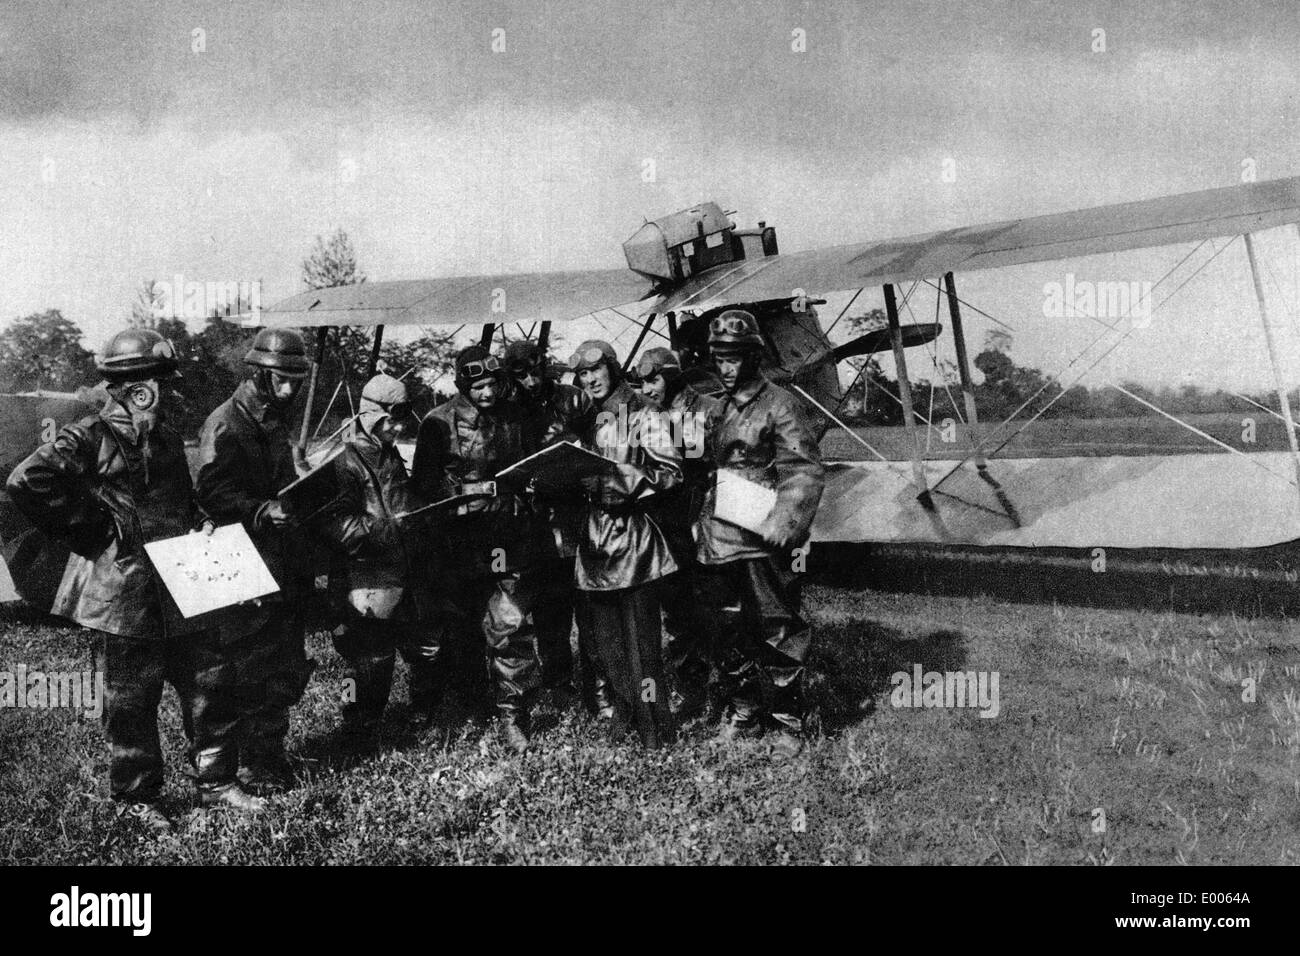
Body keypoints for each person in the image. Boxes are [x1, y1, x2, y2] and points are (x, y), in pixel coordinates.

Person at [6, 328, 264, 829]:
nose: (169, 391)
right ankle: (137, 800)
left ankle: (217, 784)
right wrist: (94, 529)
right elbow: (26, 482)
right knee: (131, 700)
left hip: (182, 581)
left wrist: (200, 519)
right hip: (125, 591)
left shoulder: (165, 436)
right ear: (136, 386)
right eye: (161, 381)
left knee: (209, 681)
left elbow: (180, 498)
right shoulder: (87, 436)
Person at [695, 309, 825, 760]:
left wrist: (785, 523)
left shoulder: (780, 403)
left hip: (764, 533)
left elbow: (804, 469)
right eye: (718, 358)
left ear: (754, 355)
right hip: (718, 533)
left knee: (778, 625)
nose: (725, 367)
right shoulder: (714, 406)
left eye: (733, 358)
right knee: (723, 626)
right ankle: (744, 712)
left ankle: (788, 722)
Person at [195, 327, 316, 793]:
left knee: (281, 663)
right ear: (259, 375)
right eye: (280, 379)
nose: (290, 388)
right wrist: (261, 510)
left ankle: (268, 756)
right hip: (240, 560)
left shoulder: (274, 418)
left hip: (280, 558)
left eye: (295, 380)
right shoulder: (226, 422)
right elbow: (210, 491)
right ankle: (228, 771)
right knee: (239, 668)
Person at [411, 346, 547, 753]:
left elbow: (527, 467)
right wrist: (465, 492)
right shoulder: (437, 424)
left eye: (492, 384)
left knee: (511, 626)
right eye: (478, 386)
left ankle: (512, 717)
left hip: (507, 536)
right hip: (457, 543)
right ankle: (451, 710)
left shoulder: (514, 417)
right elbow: (422, 489)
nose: (487, 393)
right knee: (454, 631)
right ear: (462, 386)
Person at [312, 374, 438, 748]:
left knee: (424, 646)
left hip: (403, 567)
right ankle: (354, 725)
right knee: (365, 661)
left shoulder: (390, 453)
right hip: (362, 574)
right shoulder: (340, 461)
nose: (398, 427)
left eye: (402, 418)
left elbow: (402, 500)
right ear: (369, 414)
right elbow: (332, 521)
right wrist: (382, 530)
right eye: (390, 419)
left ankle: (423, 713)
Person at [570, 340, 683, 748]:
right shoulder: (588, 417)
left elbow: (670, 472)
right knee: (605, 644)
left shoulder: (642, 412)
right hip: (595, 543)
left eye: (596, 371)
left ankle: (655, 731)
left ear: (613, 369)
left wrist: (624, 485)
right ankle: (626, 714)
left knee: (641, 646)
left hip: (634, 541)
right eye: (582, 374)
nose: (589, 380)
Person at [503, 339, 593, 707]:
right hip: (535, 519)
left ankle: (597, 684)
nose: (530, 381)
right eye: (520, 375)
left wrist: (575, 443)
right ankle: (558, 681)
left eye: (534, 370)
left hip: (577, 511)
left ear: (545, 365)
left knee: (587, 606)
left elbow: (601, 444)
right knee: (549, 608)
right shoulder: (509, 410)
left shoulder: (575, 399)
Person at [635, 347, 722, 718]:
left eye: (653, 379)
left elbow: (724, 465)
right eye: (641, 382)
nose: (646, 388)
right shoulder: (642, 415)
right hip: (668, 522)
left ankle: (729, 692)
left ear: (671, 377)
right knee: (678, 611)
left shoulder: (709, 409)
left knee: (717, 608)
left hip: (707, 517)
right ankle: (693, 692)